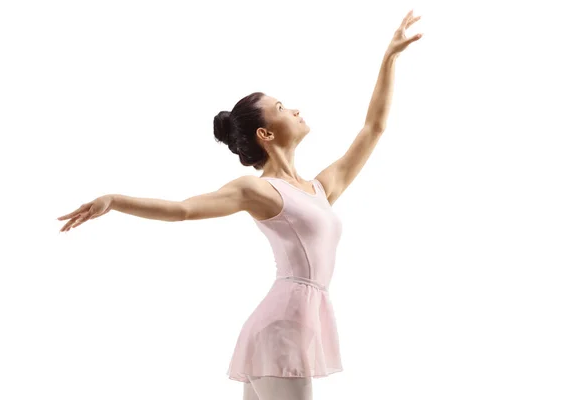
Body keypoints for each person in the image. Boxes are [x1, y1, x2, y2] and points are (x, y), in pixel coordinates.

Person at [57, 10, 422, 400]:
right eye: (282, 108)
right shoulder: (259, 191)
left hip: (292, 326)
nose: (296, 109)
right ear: (266, 134)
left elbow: (373, 129)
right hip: (282, 329)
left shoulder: (318, 190)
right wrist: (114, 201)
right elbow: (183, 209)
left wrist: (390, 57)